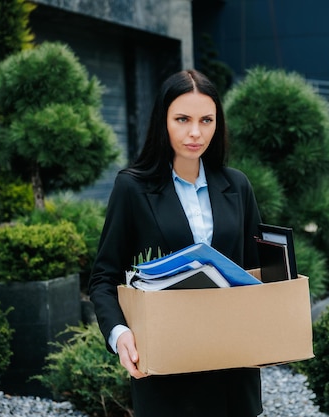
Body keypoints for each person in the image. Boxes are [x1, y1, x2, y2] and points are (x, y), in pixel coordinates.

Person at [89, 69, 263, 417]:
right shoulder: (132, 189)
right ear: (162, 122)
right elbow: (103, 278)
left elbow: (260, 272)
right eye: (182, 119)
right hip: (167, 371)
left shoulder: (237, 186)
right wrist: (120, 334)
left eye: (206, 120)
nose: (195, 132)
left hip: (233, 371)